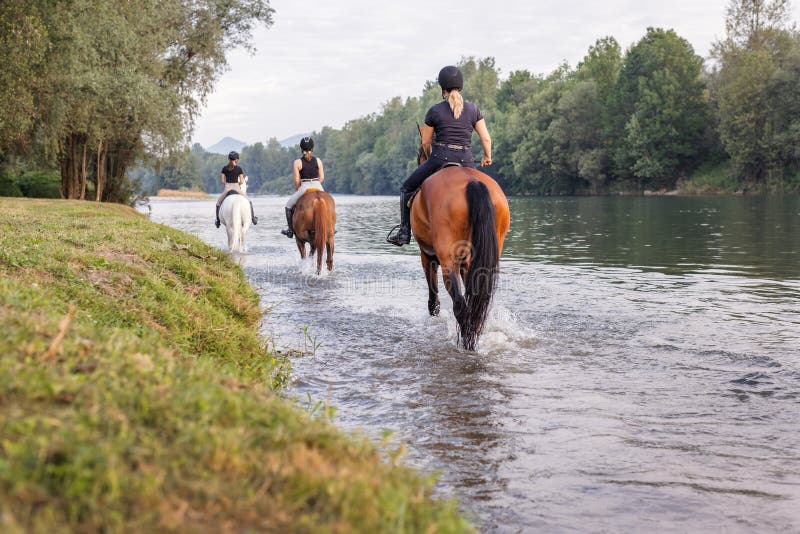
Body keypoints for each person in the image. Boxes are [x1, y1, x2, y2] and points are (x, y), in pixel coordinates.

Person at [386, 65, 492, 246]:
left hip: (440, 158)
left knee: (406, 188)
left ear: (442, 88)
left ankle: (404, 232)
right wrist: (487, 156)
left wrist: (430, 157)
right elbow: (486, 139)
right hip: (466, 160)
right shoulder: (474, 110)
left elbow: (426, 143)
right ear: (461, 86)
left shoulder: (434, 111)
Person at [281, 136, 325, 238]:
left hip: (304, 186)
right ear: (312, 148)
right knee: (328, 203)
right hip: (318, 186)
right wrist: (316, 183)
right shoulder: (318, 160)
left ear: (301, 149)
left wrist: (298, 189)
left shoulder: (297, 162)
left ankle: (290, 230)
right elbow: (322, 177)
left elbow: (297, 180)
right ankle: (331, 228)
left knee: (288, 206)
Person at [215, 151, 258, 227]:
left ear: (229, 159)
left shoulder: (224, 168)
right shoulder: (239, 169)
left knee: (218, 203)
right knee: (249, 201)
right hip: (237, 188)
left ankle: (218, 221)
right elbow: (241, 181)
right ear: (236, 159)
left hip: (227, 188)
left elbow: (222, 181)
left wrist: (227, 184)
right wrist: (237, 185)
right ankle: (253, 218)